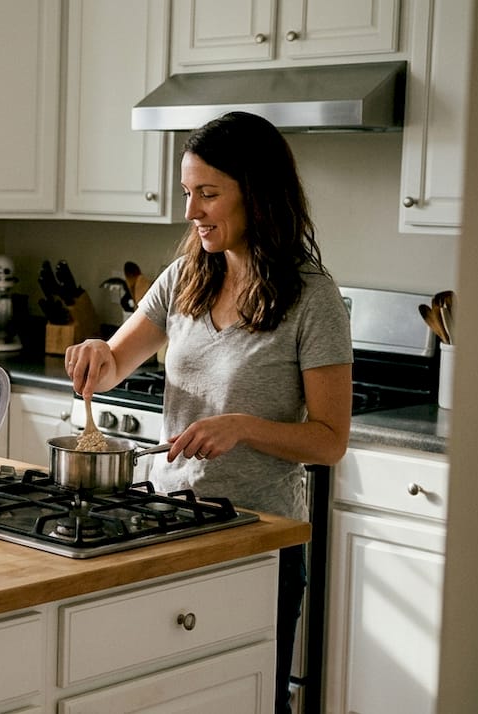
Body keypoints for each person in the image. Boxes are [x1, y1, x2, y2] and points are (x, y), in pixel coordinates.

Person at [62, 111, 352, 714]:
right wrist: (97, 354)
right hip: (168, 523)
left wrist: (242, 426)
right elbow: (116, 362)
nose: (192, 211)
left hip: (258, 536)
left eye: (209, 194)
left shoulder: (312, 297)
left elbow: (329, 441)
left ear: (258, 193)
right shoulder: (184, 276)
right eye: (188, 192)